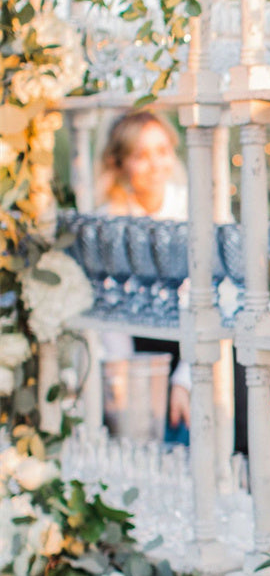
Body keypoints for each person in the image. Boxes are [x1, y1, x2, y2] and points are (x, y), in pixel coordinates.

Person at [96, 111, 190, 438]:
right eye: (140, 155)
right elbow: (111, 312)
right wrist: (130, 388)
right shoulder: (108, 222)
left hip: (197, 351)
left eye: (162, 151)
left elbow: (219, 301)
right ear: (120, 163)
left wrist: (186, 380)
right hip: (140, 359)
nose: (155, 165)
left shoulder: (193, 209)